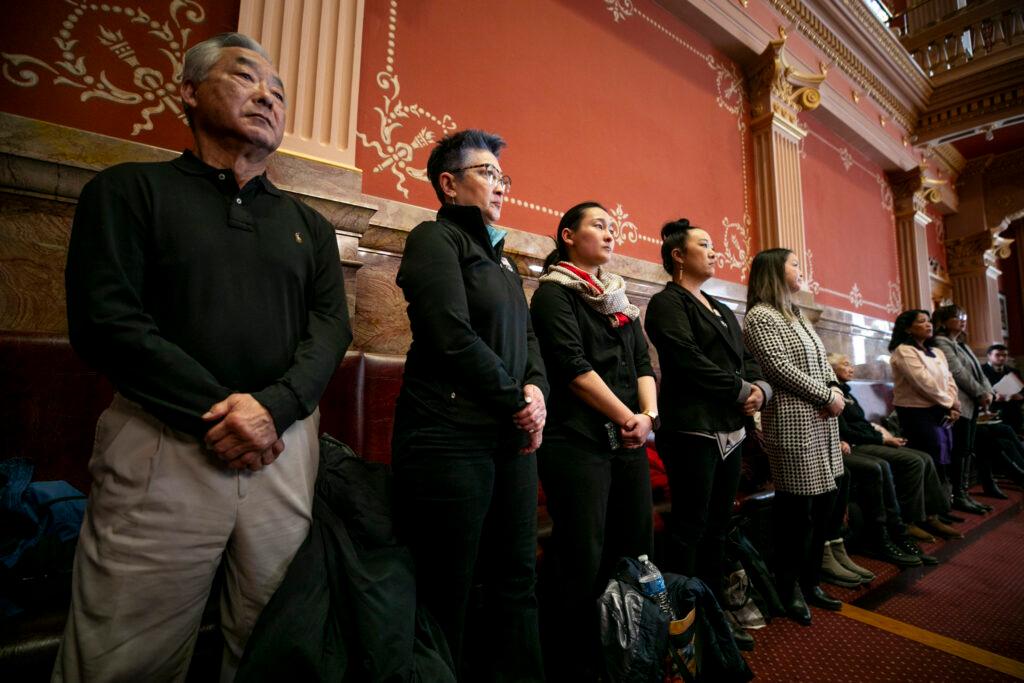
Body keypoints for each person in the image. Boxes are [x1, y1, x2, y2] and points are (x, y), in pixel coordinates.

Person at [57, 33, 352, 681]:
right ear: (188, 92)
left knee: (278, 642)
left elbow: (331, 328)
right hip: (163, 446)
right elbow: (105, 322)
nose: (268, 95)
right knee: (125, 652)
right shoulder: (129, 192)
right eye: (246, 77)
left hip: (284, 447)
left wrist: (272, 410)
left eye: (278, 90)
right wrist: (221, 411)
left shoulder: (311, 226)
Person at [391, 129, 548, 682]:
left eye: (502, 175)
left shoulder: (502, 261)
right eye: (487, 173)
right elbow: (448, 335)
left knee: (516, 579)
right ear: (449, 184)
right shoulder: (434, 240)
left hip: (509, 438)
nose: (500, 184)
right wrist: (517, 401)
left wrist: (536, 393)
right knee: (445, 589)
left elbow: (528, 341)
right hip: (447, 436)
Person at [530, 201, 659, 677]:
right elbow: (572, 370)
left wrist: (648, 416)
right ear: (568, 235)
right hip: (578, 442)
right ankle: (572, 662)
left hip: (628, 441)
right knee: (581, 558)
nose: (610, 234)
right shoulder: (553, 295)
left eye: (613, 227)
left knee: (636, 547)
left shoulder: (619, 297)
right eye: (598, 226)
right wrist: (631, 418)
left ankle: (624, 650)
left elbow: (643, 364)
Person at [643, 218, 768, 648]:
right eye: (705, 245)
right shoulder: (667, 303)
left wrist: (761, 391)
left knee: (718, 526)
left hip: (732, 429)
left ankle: (714, 613)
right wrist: (740, 391)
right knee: (690, 528)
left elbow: (747, 361)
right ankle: (685, 617)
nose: (715, 252)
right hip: (692, 429)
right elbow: (688, 360)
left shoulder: (721, 306)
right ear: (678, 255)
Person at [742, 248, 843, 626]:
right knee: (796, 515)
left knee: (821, 510)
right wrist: (826, 395)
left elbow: (821, 360)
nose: (802, 269)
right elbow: (777, 368)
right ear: (773, 271)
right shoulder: (760, 316)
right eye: (795, 263)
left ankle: (811, 582)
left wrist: (834, 386)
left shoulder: (795, 312)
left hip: (822, 421)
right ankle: (787, 589)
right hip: (793, 421)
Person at [829, 353, 953, 553]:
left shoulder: (847, 392)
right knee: (913, 461)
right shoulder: (833, 394)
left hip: (870, 438)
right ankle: (909, 521)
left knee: (925, 457)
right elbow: (846, 432)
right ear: (831, 369)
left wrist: (882, 434)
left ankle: (931, 516)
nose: (851, 367)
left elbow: (863, 424)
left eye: (851, 363)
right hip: (856, 445)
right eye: (845, 364)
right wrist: (882, 439)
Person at [887, 310, 962, 526]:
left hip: (940, 410)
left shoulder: (937, 352)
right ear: (908, 328)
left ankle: (940, 509)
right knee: (930, 460)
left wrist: (953, 404)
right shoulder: (904, 351)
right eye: (921, 322)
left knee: (943, 460)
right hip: (916, 413)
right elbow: (923, 383)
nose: (928, 325)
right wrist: (950, 403)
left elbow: (949, 380)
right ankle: (927, 515)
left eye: (929, 321)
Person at [931, 305, 994, 514]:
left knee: (967, 449)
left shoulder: (961, 343)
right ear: (944, 320)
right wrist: (980, 393)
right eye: (958, 317)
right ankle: (958, 494)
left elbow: (978, 370)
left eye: (964, 316)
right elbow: (957, 372)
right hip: (959, 403)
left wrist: (988, 391)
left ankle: (964, 492)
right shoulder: (941, 342)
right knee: (960, 450)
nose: (963, 320)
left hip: (973, 402)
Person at [983, 344, 1024, 434]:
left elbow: (1022, 392)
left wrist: (1020, 396)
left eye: (1004, 355)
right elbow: (978, 391)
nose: (1001, 358)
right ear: (989, 356)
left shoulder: (1013, 371)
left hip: (1014, 412)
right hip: (993, 411)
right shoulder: (981, 371)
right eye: (997, 355)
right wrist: (994, 396)